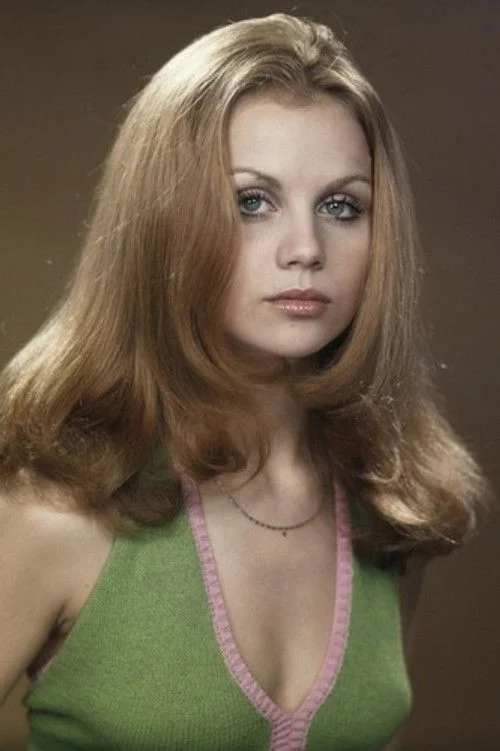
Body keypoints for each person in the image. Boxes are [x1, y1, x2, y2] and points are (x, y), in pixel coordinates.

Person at [0, 12, 485, 751]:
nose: (305, 249)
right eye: (251, 201)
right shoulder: (57, 507)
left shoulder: (390, 510)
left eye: (341, 206)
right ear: (163, 222)